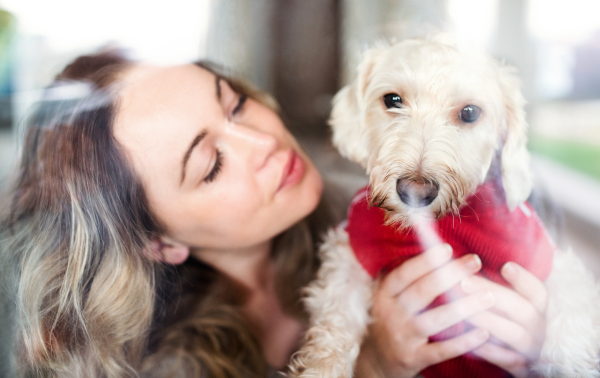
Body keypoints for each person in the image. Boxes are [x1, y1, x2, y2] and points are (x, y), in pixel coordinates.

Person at [1, 51, 547, 378]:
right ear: (157, 242)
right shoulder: (155, 366)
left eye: (234, 103)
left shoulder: (378, 214)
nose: (262, 140)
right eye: (211, 163)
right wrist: (375, 367)